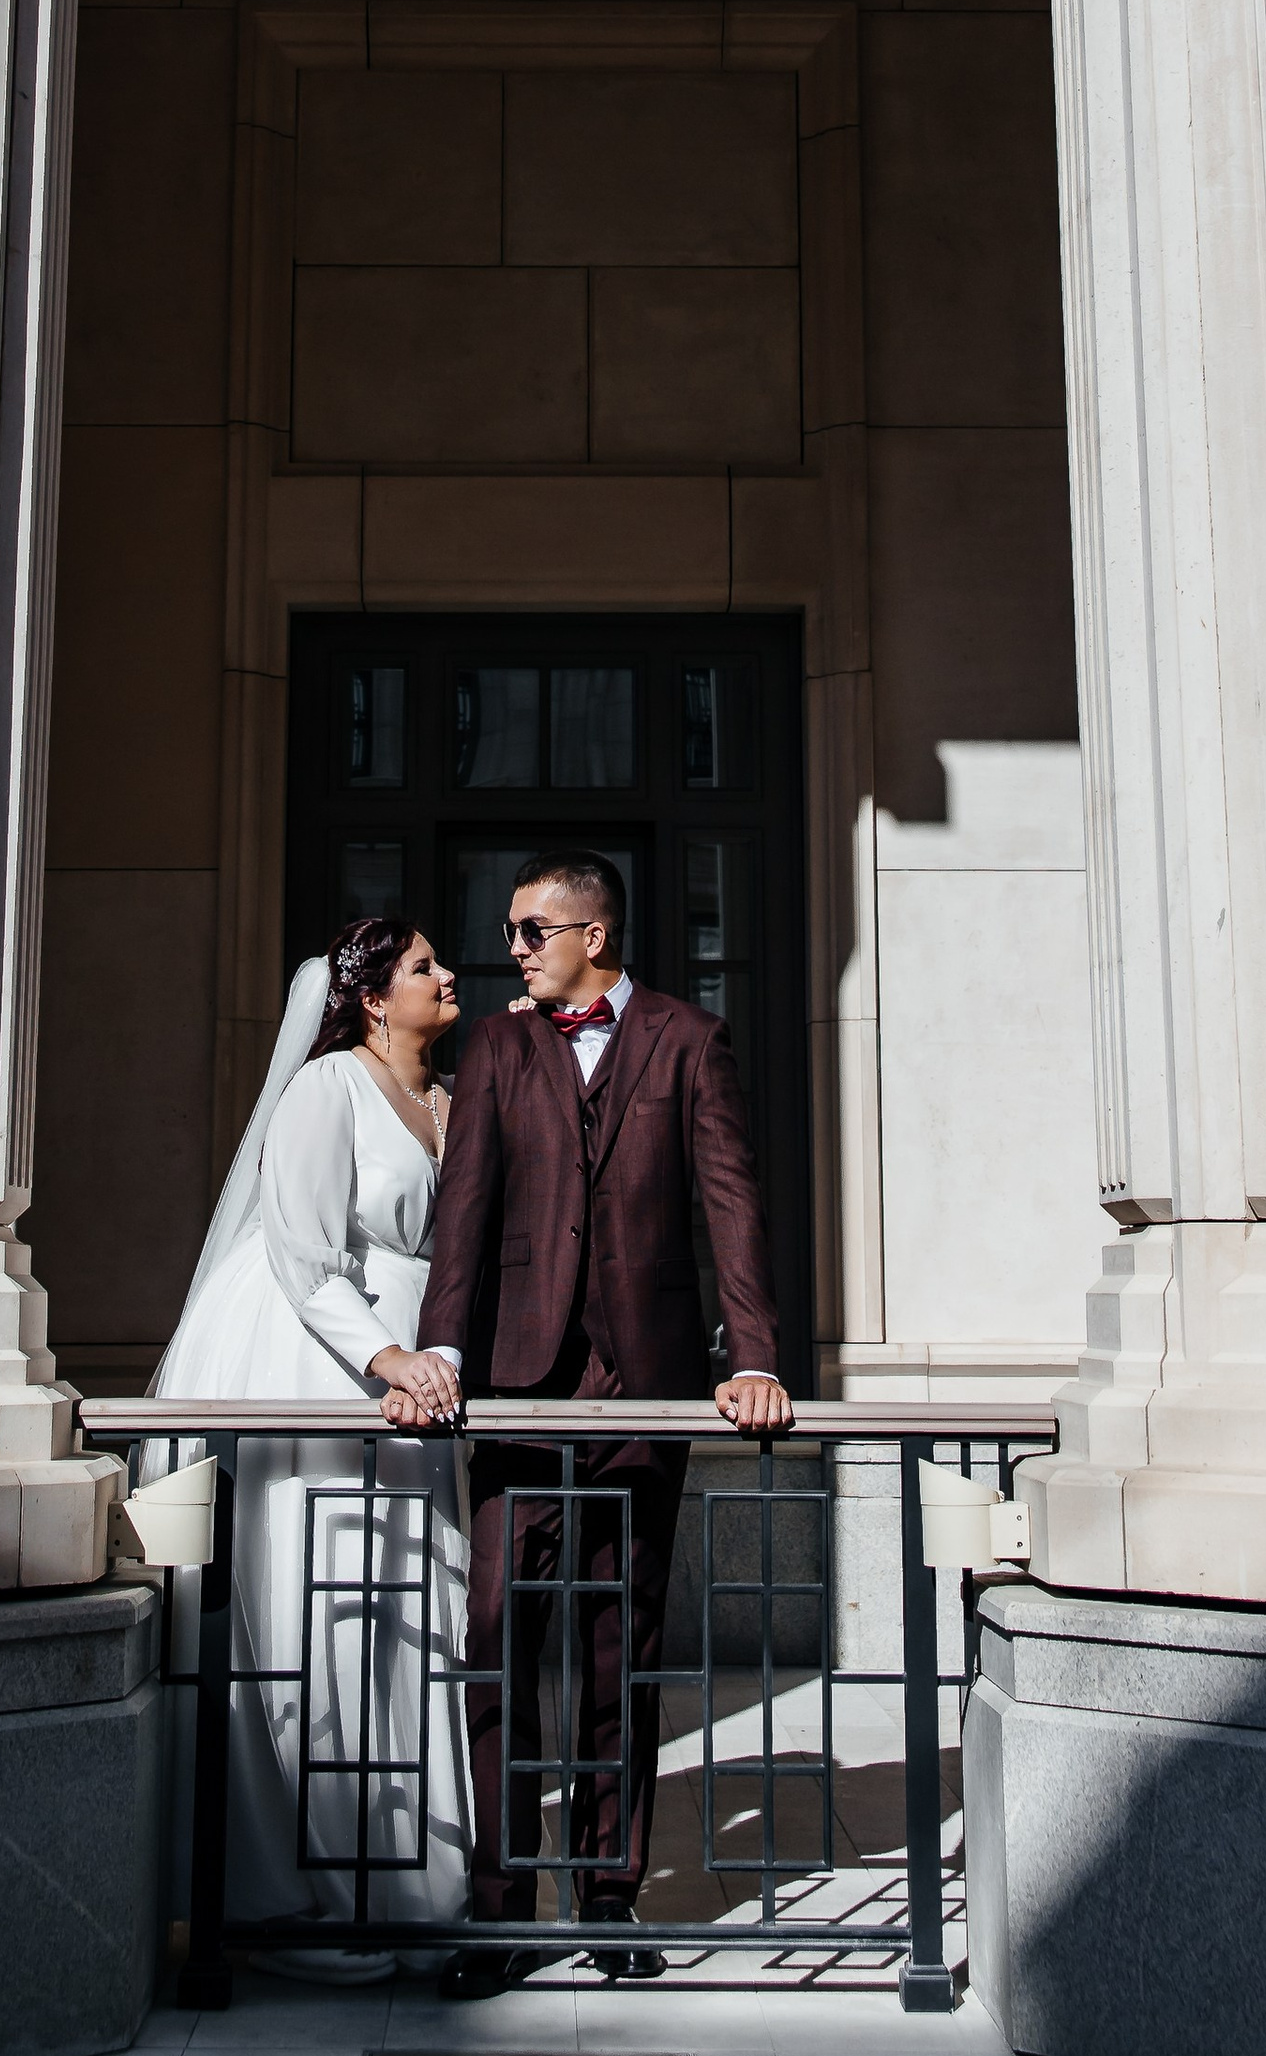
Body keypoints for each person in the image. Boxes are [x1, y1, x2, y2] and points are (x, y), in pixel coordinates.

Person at [415, 848, 792, 1997]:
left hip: (645, 1382)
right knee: (495, 1636)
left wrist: (756, 1357)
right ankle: (496, 1902)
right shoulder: (495, 1048)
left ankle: (611, 1894)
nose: (513, 949)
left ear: (595, 934)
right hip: (520, 1386)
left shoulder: (687, 1040)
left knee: (618, 1643)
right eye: (513, 932)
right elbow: (465, 1210)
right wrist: (442, 1354)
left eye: (532, 930)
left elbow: (728, 1202)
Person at [147, 918, 473, 1975]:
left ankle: (407, 1873)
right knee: (320, 1600)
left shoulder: (448, 1101)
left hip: (423, 1371)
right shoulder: (324, 1088)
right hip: (315, 1359)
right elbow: (297, 1246)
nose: (447, 975)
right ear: (374, 997)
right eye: (424, 966)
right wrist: (385, 1356)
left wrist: (439, 1354)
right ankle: (301, 1879)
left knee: (406, 1606)